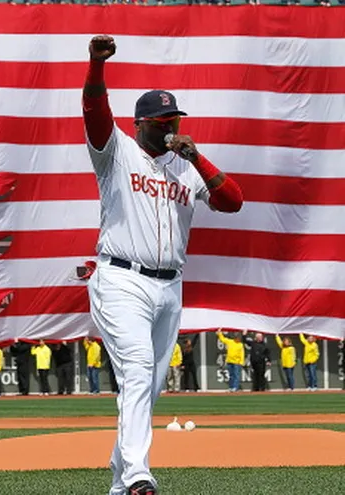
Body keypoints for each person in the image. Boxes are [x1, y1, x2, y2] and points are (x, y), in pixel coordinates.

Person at [82, 34, 243, 495]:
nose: (171, 128)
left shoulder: (186, 165)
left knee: (148, 388)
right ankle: (138, 476)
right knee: (136, 369)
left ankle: (119, 480)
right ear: (141, 125)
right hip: (121, 278)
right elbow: (95, 113)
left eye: (174, 119)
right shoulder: (116, 153)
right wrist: (96, 65)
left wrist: (196, 155)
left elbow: (233, 202)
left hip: (170, 287)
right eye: (162, 122)